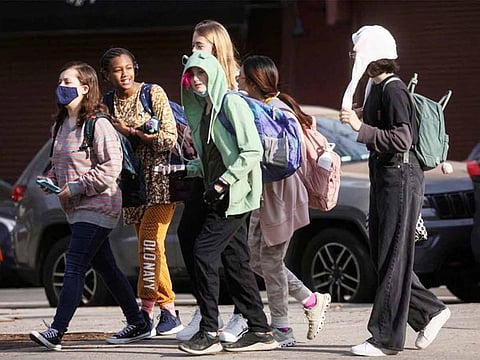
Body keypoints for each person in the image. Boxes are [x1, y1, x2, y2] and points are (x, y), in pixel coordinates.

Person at [339, 25, 450, 356]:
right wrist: (362, 119)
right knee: (383, 254)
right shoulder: (377, 89)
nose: (352, 56)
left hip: (401, 177)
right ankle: (430, 311)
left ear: (372, 54)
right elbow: (384, 126)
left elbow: (403, 138)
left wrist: (361, 128)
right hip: (386, 177)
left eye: (356, 51)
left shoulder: (394, 89)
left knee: (391, 256)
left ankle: (385, 338)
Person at [29, 61, 151, 350]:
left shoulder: (99, 123)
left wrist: (75, 187)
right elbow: (56, 166)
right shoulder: (59, 126)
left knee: (74, 265)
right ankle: (138, 321)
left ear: (85, 88)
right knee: (105, 266)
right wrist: (49, 180)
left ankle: (56, 331)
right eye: (60, 81)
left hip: (100, 204)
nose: (62, 87)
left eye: (68, 82)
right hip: (75, 207)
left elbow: (112, 167)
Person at [175, 50, 278, 355]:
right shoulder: (205, 111)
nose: (195, 80)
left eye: (201, 74)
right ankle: (260, 331)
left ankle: (209, 331)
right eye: (191, 75)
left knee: (203, 253)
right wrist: (184, 168)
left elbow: (251, 152)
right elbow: (214, 158)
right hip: (219, 194)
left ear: (215, 74)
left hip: (235, 196)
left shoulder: (231, 103)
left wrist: (222, 182)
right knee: (236, 263)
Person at [237, 55, 331, 346]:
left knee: (271, 261)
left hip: (280, 193)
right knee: (255, 258)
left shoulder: (277, 112)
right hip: (264, 194)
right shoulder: (265, 106)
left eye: (242, 76)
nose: (238, 79)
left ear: (253, 82)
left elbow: (280, 160)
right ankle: (311, 299)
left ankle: (282, 329)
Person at [99, 47, 183, 336]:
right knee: (148, 249)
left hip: (161, 181)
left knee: (149, 242)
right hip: (132, 185)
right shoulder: (106, 103)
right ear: (107, 75)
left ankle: (144, 313)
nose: (125, 74)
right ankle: (169, 311)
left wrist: (132, 133)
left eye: (128, 67)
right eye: (117, 70)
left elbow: (169, 138)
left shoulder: (152, 93)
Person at [175, 19, 243, 342]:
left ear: (217, 49)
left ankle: (231, 319)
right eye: (192, 46)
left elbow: (248, 149)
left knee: (225, 251)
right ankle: (214, 314)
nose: (193, 53)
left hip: (232, 183)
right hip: (207, 177)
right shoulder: (200, 88)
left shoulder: (231, 93)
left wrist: (227, 179)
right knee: (193, 236)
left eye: (199, 46)